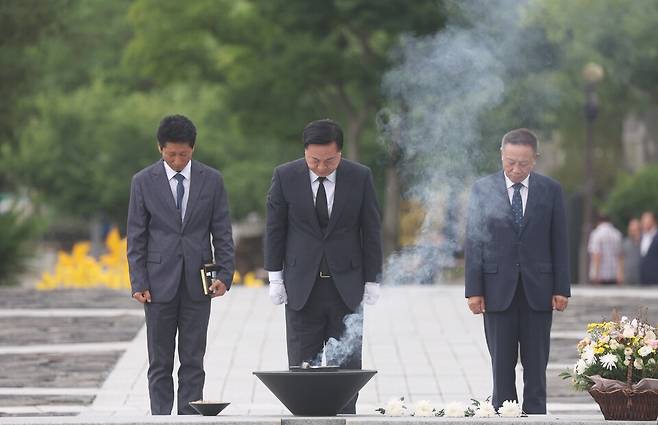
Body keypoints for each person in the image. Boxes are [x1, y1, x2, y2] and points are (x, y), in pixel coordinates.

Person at [264, 119, 383, 414]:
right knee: (303, 367)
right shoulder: (285, 176)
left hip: (346, 286)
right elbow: (275, 229)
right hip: (302, 286)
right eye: (314, 160)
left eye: (329, 160)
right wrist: (275, 277)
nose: (321, 167)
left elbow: (371, 230)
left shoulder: (360, 176)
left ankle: (345, 416)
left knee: (346, 368)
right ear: (304, 152)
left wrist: (372, 280)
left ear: (340, 153)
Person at [126, 115, 235, 415]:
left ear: (193, 149)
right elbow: (136, 237)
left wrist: (224, 274)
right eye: (171, 154)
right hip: (157, 284)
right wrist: (139, 282)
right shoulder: (143, 182)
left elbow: (222, 231)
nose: (177, 160)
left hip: (198, 283)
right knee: (159, 362)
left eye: (183, 155)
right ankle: (160, 418)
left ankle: (189, 418)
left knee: (192, 359)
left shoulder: (212, 180)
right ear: (159, 148)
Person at [464, 128, 570, 414]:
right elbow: (474, 242)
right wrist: (474, 291)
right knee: (502, 365)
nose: (516, 169)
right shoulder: (483, 190)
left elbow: (559, 242)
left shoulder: (551, 190)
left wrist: (562, 288)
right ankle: (505, 414)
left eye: (523, 163)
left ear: (535, 159)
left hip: (539, 290)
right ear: (501, 155)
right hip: (497, 290)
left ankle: (536, 415)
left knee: (536, 366)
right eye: (510, 161)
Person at [587, 214, 623, 285]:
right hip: (614, 275)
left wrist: (596, 274)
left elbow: (597, 255)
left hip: (600, 276)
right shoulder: (617, 234)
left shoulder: (596, 234)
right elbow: (620, 256)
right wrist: (620, 274)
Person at [621, 218, 641, 285]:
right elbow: (621, 259)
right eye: (631, 230)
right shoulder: (625, 242)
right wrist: (620, 274)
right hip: (627, 276)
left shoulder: (644, 242)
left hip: (640, 277)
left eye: (635, 230)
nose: (633, 232)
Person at [639, 211, 658, 285]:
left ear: (653, 221)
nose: (643, 223)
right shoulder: (641, 236)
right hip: (643, 278)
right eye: (643, 221)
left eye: (646, 221)